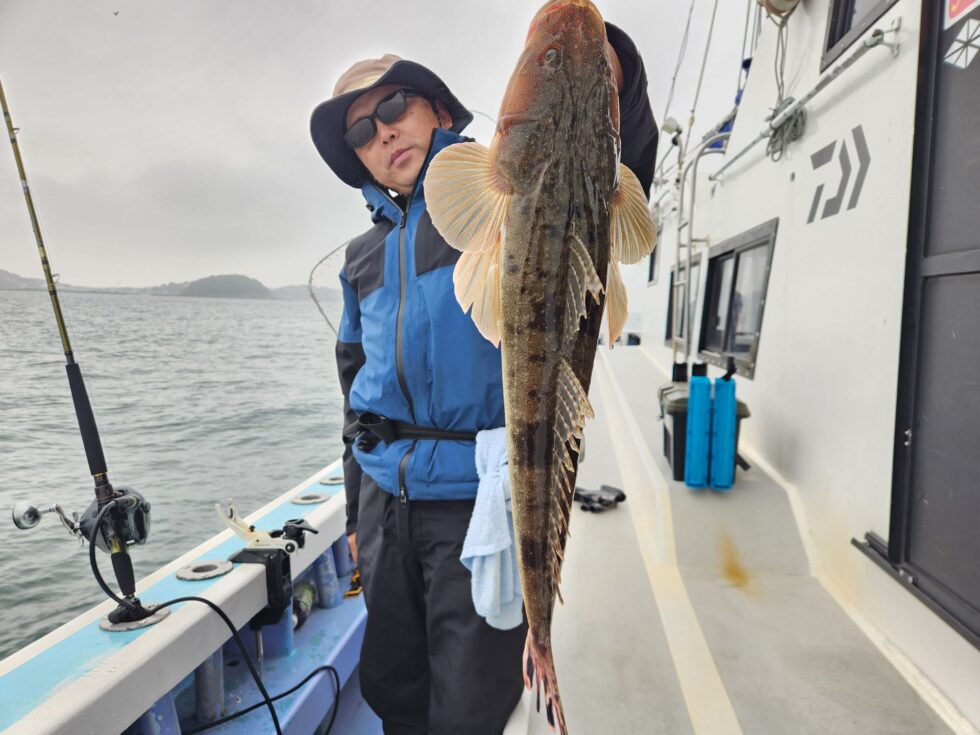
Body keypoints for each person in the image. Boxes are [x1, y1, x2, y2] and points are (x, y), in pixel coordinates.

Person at [309, 20, 658, 735]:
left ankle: (542, 645)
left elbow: (614, 182)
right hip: (384, 503)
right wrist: (355, 516)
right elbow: (355, 394)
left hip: (471, 499)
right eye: (360, 132)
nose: (381, 134)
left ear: (439, 110)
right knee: (391, 683)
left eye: (394, 106)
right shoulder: (359, 259)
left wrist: (614, 63)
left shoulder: (502, 191)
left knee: (468, 708)